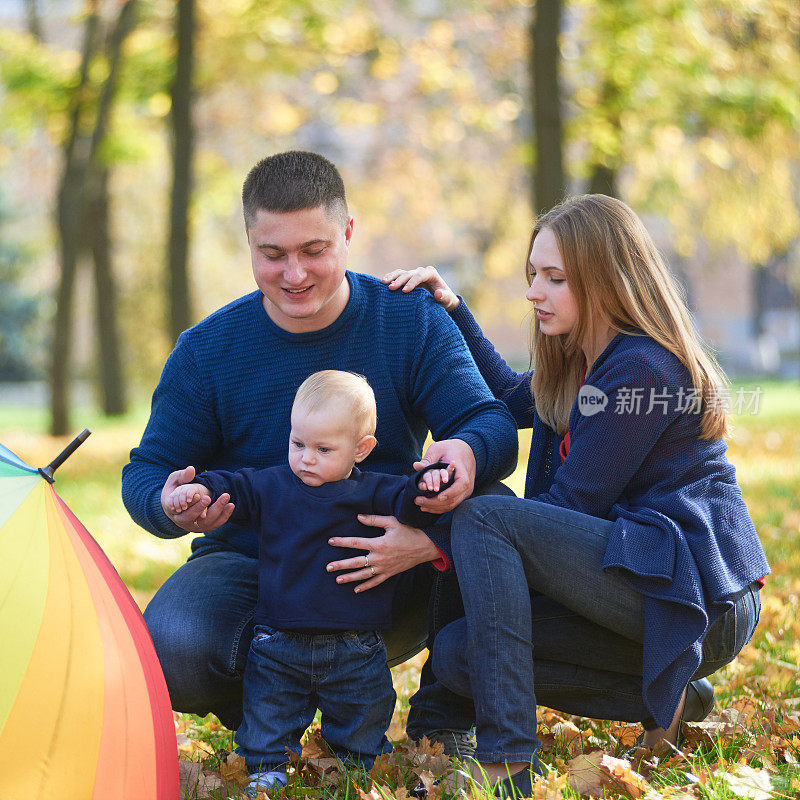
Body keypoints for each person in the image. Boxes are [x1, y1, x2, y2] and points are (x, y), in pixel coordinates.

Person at [121, 150, 518, 753]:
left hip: (387, 563)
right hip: (256, 567)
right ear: (250, 242)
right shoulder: (207, 350)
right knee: (173, 644)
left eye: (314, 250)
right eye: (272, 254)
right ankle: (274, 704)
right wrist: (166, 502)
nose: (295, 275)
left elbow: (486, 419)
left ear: (348, 233)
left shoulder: (408, 320)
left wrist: (461, 458)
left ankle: (443, 720)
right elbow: (147, 470)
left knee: (486, 506)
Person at [385, 194, 768, 797]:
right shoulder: (580, 365)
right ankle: (672, 692)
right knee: (462, 656)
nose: (535, 291)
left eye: (555, 278)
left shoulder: (642, 370)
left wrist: (435, 540)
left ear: (607, 280)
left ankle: (508, 760)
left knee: (483, 515)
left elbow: (568, 508)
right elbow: (513, 397)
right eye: (533, 274)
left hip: (695, 593)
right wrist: (452, 308)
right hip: (636, 579)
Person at [164, 371, 455, 796]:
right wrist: (200, 490)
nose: (306, 459)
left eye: (323, 449)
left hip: (355, 644)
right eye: (298, 444)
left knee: (363, 712)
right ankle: (265, 770)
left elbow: (413, 505)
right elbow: (233, 485)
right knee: (268, 710)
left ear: (362, 449)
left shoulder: (374, 491)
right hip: (278, 638)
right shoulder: (273, 485)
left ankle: (357, 767)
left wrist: (429, 485)